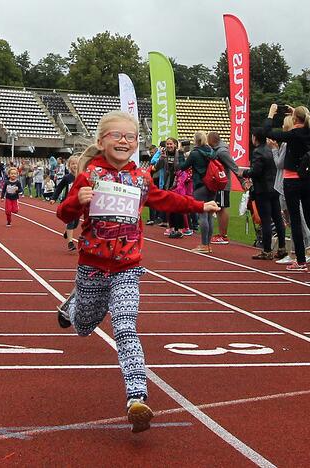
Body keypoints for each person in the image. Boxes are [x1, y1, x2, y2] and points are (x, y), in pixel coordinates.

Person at [55, 110, 220, 433]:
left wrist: (200, 205)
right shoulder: (89, 176)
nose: (124, 141)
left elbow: (166, 200)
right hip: (91, 266)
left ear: (136, 144)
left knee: (126, 326)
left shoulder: (141, 179)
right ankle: (72, 305)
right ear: (102, 142)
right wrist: (78, 200)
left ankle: (137, 399)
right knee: (84, 327)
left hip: (128, 268)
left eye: (130, 137)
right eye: (116, 136)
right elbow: (64, 214)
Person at [264, 104, 310, 271]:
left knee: (295, 221)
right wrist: (296, 113)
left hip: (291, 181)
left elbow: (268, 132)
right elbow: (305, 124)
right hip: (307, 180)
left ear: (294, 120)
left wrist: (271, 114)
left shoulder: (292, 135)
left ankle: (301, 261)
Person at [272, 116, 310, 265]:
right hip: (285, 184)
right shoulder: (291, 141)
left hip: (289, 184)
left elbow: (280, 163)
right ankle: (295, 253)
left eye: (284, 125)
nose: (283, 128)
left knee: (298, 220)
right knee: (293, 221)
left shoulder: (288, 143)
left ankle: (307, 251)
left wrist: (274, 149)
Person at [241, 127, 286, 259]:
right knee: (277, 218)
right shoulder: (272, 150)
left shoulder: (258, 152)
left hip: (263, 189)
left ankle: (267, 250)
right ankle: (282, 247)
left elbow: (256, 171)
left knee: (265, 220)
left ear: (255, 137)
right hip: (275, 187)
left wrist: (244, 173)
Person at [178, 131, 217, 253]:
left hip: (200, 185)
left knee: (203, 215)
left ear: (196, 140)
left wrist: (180, 153)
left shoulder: (195, 153)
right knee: (209, 215)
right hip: (212, 184)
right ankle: (208, 244)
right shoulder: (211, 152)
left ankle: (204, 244)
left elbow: (182, 166)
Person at [207, 131, 243, 245]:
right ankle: (221, 234)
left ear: (212, 140)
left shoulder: (222, 152)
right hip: (218, 184)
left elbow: (234, 167)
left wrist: (242, 181)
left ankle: (223, 235)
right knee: (218, 208)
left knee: (221, 208)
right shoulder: (217, 150)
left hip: (223, 184)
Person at [51, 155, 80, 251]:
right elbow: (59, 188)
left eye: (77, 164)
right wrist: (54, 198)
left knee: (75, 224)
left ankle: (67, 232)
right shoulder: (67, 177)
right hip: (68, 203)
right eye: (73, 164)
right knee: (70, 222)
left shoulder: (82, 176)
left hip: (79, 204)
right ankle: (70, 243)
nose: (75, 166)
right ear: (69, 165)